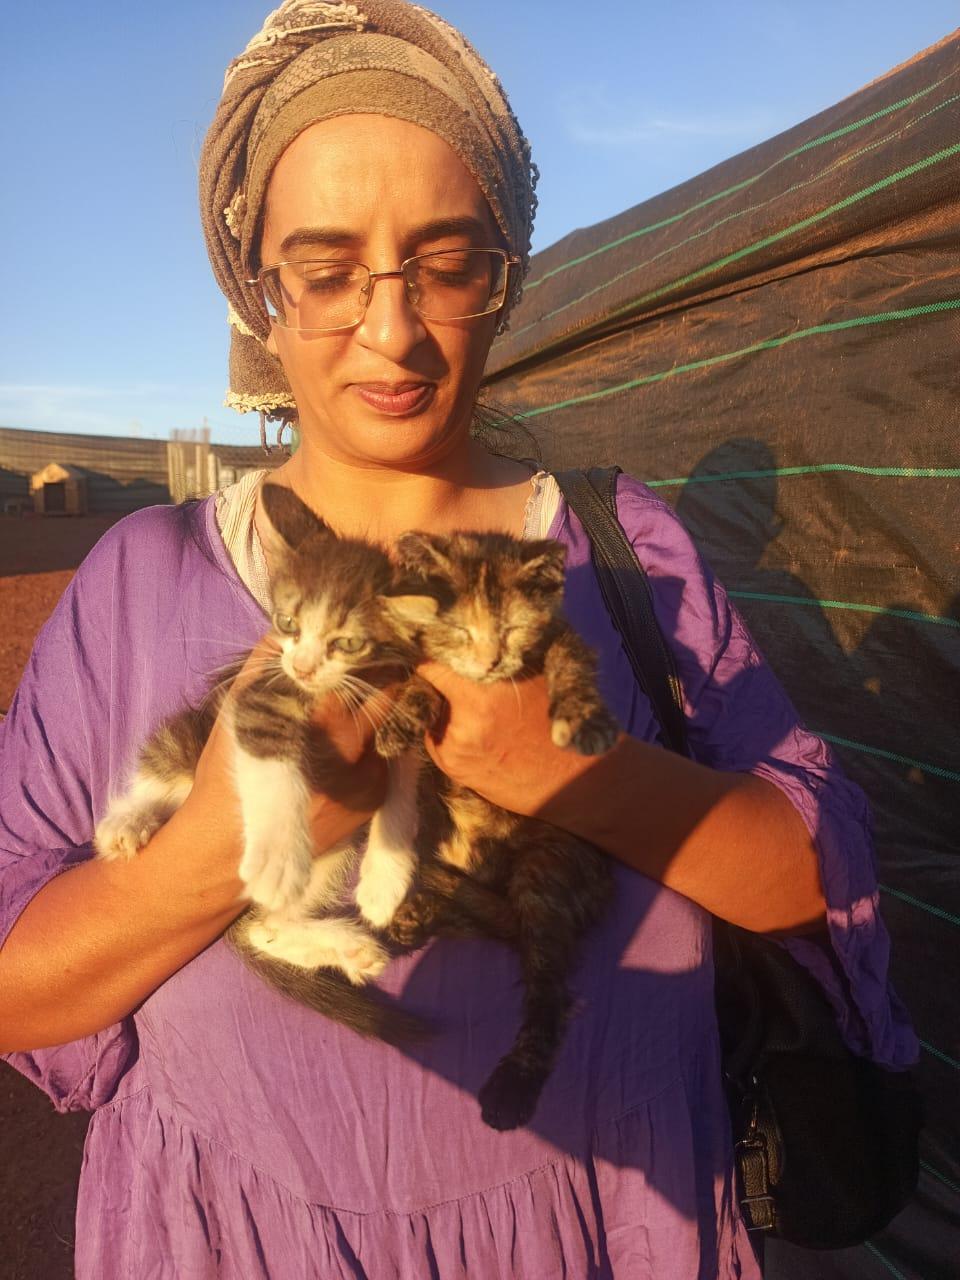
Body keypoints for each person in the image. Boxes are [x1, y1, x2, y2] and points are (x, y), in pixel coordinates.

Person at [0, 3, 917, 1276]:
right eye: (328, 273)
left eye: (447, 262)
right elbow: (18, 985)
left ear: (505, 279)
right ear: (260, 296)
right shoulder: (140, 584)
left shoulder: (619, 550)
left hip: (602, 1232)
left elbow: (815, 880)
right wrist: (211, 846)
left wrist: (564, 769)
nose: (393, 330)